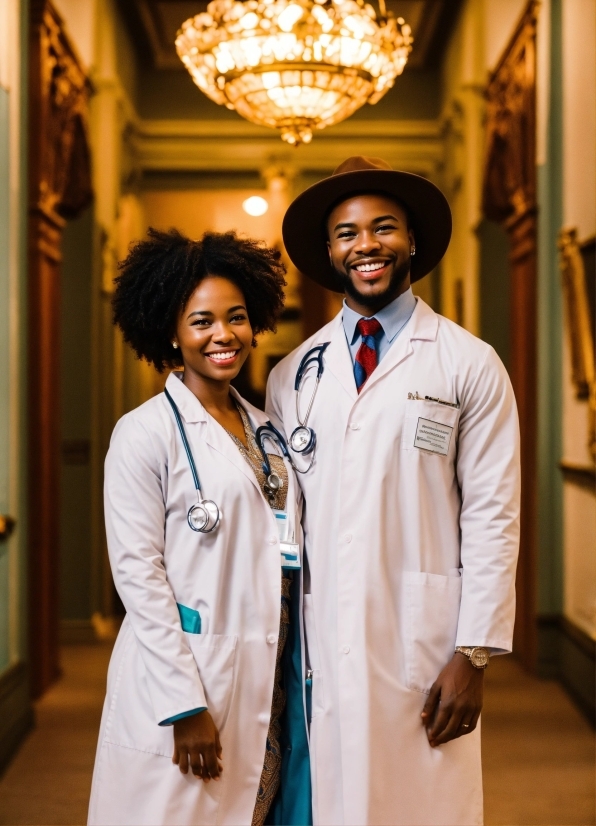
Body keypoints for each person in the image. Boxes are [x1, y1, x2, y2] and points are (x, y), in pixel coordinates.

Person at [266, 156, 521, 826]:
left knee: (423, 806)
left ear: (412, 241)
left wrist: (475, 652)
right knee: (331, 801)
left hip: (428, 646)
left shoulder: (468, 362)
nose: (366, 245)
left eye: (384, 228)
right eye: (347, 234)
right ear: (329, 252)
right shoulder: (294, 374)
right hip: (324, 639)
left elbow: (495, 514)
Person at [88, 228, 310, 826]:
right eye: (202, 321)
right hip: (186, 678)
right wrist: (184, 705)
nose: (223, 336)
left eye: (236, 318)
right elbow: (139, 576)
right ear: (170, 330)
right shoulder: (143, 433)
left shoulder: (267, 428)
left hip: (267, 669)